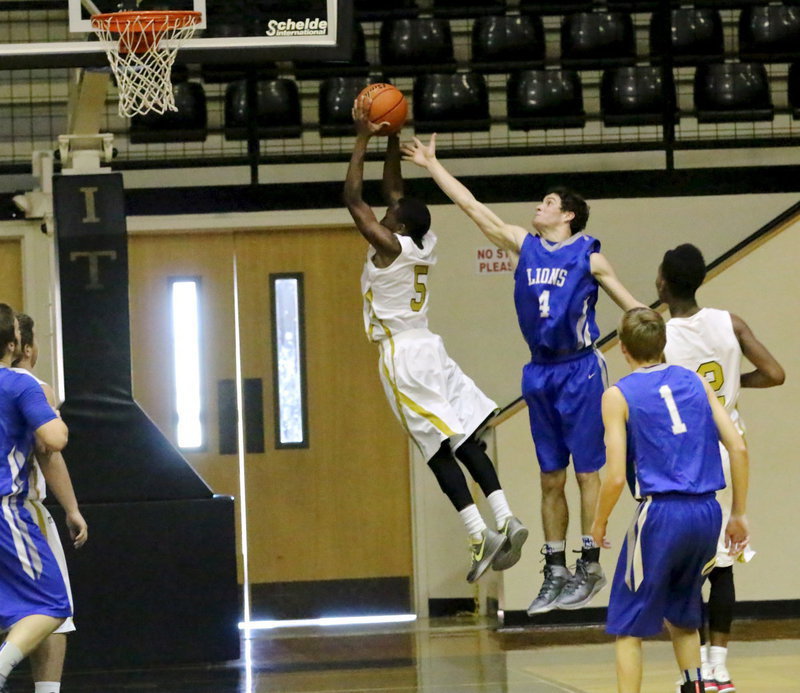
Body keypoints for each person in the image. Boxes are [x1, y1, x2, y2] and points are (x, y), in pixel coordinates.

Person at [401, 134, 642, 612]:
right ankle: (554, 570)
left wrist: (673, 340)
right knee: (549, 477)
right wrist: (432, 164)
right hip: (540, 372)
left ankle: (588, 565)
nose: (539, 205)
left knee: (587, 473)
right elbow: (472, 207)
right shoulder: (522, 244)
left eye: (548, 202)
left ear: (567, 215)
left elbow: (633, 307)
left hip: (581, 370)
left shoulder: (590, 256)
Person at [344, 96, 528, 583]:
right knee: (466, 437)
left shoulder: (387, 245)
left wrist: (363, 135)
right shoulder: (424, 241)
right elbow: (394, 191)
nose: (384, 216)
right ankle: (506, 516)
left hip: (403, 354)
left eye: (390, 216)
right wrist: (389, 139)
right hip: (433, 347)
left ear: (397, 227)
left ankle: (478, 534)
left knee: (436, 448)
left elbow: (354, 201)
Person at [591, 307, 749, 693]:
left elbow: (613, 476)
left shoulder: (617, 394)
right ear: (663, 344)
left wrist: (598, 522)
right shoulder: (697, 382)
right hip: (708, 512)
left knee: (628, 625)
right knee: (683, 612)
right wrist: (739, 514)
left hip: (661, 513)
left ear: (623, 349)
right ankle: (695, 686)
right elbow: (738, 447)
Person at [657, 244, 784, 693]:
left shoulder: (662, 334)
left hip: (689, 458)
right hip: (733, 449)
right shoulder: (730, 322)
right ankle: (719, 668)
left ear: (662, 283)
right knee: (725, 566)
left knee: (688, 567)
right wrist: (734, 383)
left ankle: (693, 673)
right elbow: (775, 373)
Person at [12, 313, 88, 693]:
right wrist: (72, 508)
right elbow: (51, 449)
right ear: (23, 347)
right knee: (54, 609)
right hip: (18, 512)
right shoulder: (30, 387)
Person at [0, 304, 71, 693]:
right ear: (15, 344)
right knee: (52, 605)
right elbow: (54, 441)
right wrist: (53, 415)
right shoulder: (22, 384)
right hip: (9, 511)